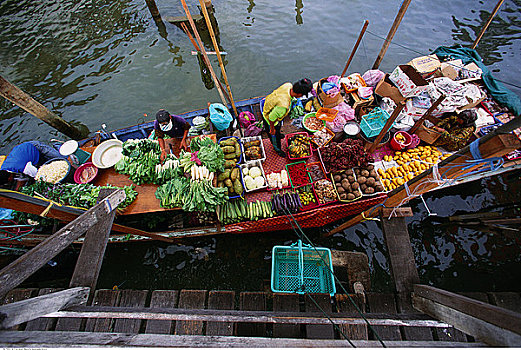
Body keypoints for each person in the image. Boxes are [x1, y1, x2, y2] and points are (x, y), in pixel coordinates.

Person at [262, 78, 313, 157]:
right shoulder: (283, 106)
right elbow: (271, 118)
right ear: (299, 94)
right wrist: (272, 129)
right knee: (274, 136)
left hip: (270, 104)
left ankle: (278, 134)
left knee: (278, 131)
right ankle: (277, 149)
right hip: (269, 119)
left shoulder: (288, 85)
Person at [0, 140, 65, 182]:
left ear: (9, 178)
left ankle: (57, 145)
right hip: (26, 155)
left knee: (62, 158)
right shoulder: (3, 168)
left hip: (34, 147)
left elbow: (40, 176)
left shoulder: (24, 168)